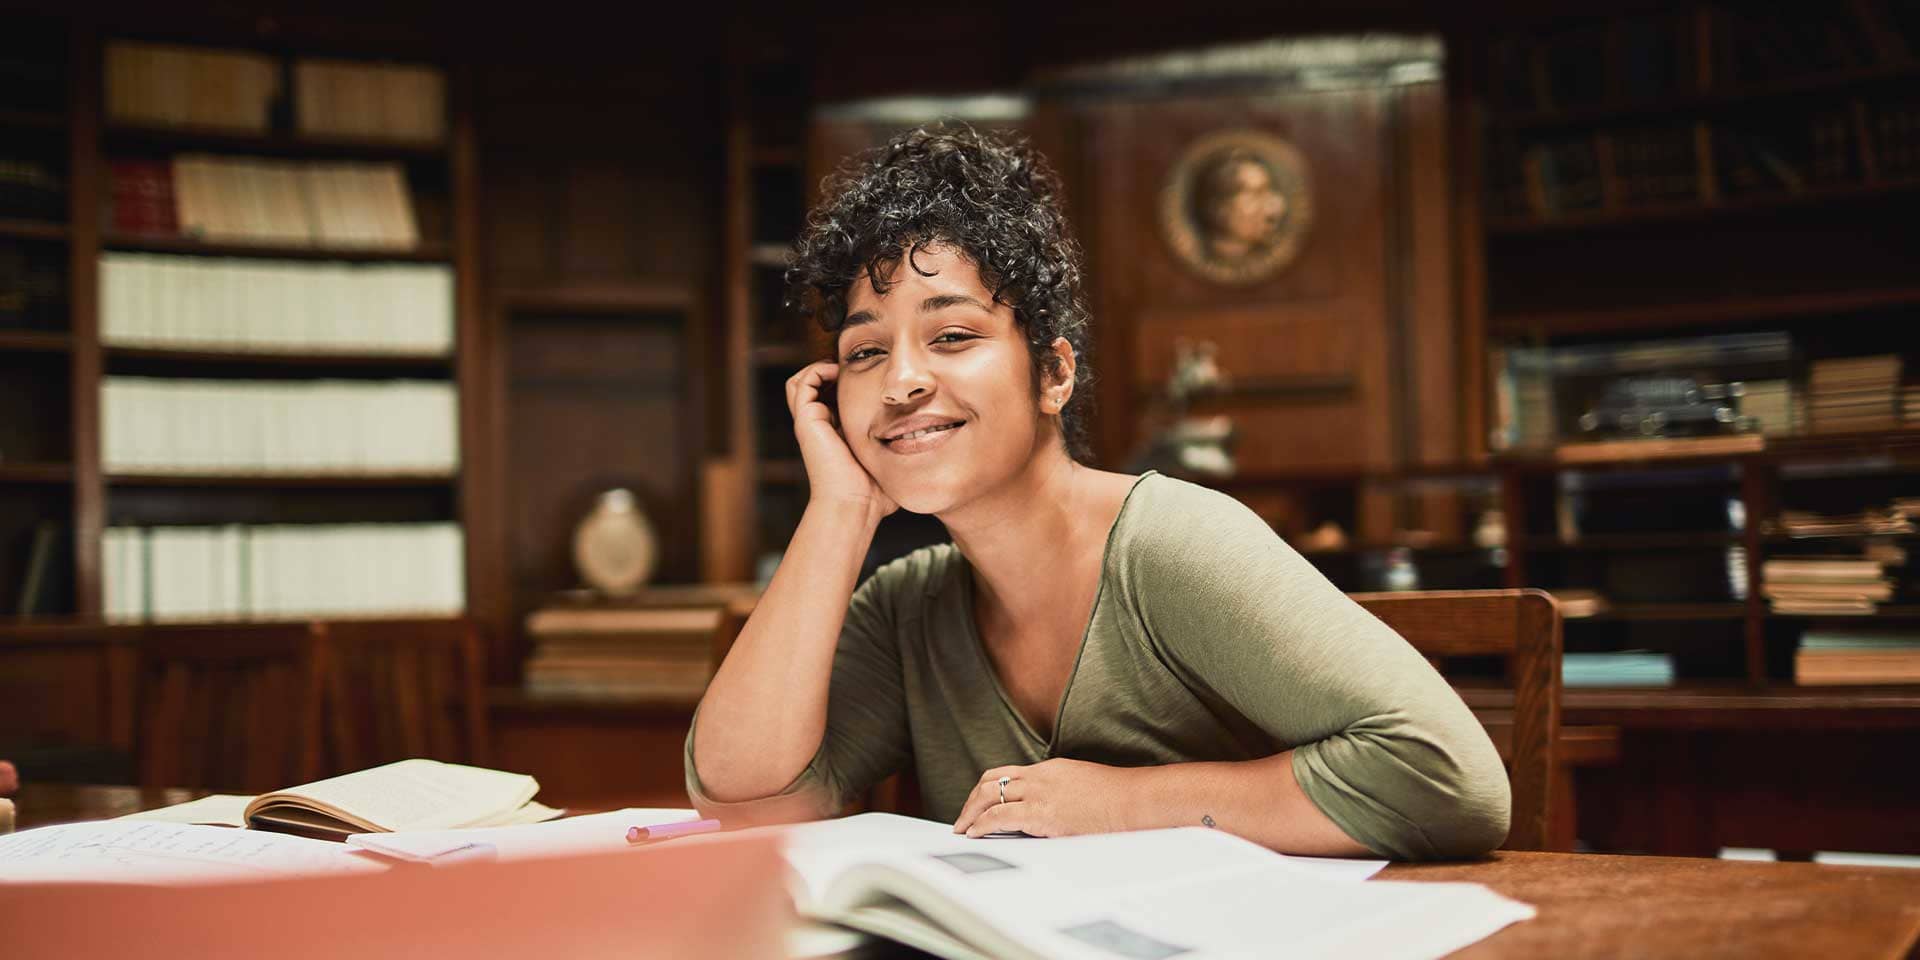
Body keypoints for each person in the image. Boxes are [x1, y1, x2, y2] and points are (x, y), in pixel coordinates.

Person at [685, 123, 1508, 860]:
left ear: (1053, 374)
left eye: (953, 335)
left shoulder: (1170, 544)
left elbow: (1446, 777)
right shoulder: (907, 610)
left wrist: (1123, 803)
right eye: (865, 352)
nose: (901, 380)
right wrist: (839, 510)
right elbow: (749, 803)